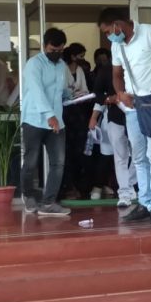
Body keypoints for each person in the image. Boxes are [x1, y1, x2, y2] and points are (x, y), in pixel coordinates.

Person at [97, 7, 151, 230]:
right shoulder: (117, 45)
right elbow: (116, 75)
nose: (108, 36)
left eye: (108, 31)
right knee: (140, 158)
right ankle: (144, 203)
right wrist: (121, 94)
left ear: (118, 24)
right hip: (133, 108)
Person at [20, 27, 72, 217]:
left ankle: (48, 202)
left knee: (58, 163)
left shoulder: (62, 65)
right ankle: (28, 196)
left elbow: (61, 90)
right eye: (52, 50)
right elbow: (37, 91)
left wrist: (72, 94)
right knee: (31, 162)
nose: (56, 54)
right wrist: (49, 115)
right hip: (34, 119)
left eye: (60, 50)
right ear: (44, 46)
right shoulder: (34, 64)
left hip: (56, 121)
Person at [89, 47, 136, 207]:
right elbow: (97, 94)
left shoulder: (137, 64)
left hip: (137, 115)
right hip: (116, 117)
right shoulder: (106, 70)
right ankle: (124, 192)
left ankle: (130, 184)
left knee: (139, 155)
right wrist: (111, 99)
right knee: (120, 156)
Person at [61, 44, 92, 199]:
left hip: (79, 111)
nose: (82, 59)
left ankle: (80, 185)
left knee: (80, 148)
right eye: (80, 56)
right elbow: (62, 90)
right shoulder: (61, 68)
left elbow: (84, 89)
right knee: (67, 149)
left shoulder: (80, 70)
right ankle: (68, 185)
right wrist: (73, 93)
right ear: (73, 56)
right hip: (65, 112)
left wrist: (79, 94)